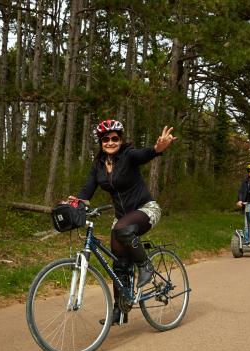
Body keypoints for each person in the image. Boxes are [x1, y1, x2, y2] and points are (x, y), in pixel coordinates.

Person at [69, 119, 177, 325]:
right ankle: (120, 309)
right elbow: (87, 190)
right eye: (106, 139)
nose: (110, 142)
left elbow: (144, 154)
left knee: (121, 229)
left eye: (114, 138)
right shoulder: (98, 165)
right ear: (101, 142)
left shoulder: (128, 155)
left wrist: (158, 148)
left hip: (146, 209)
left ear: (120, 140)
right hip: (122, 218)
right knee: (119, 263)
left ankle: (145, 266)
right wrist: (75, 202)